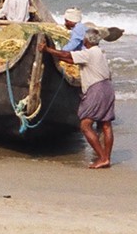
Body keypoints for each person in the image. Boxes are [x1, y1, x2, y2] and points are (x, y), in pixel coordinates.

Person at [43, 28, 116, 168]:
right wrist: (55, 55)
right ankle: (106, 157)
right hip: (108, 88)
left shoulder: (88, 53)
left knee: (85, 125)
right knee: (106, 124)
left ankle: (102, 157)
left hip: (97, 89)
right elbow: (70, 59)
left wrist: (48, 50)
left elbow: (66, 54)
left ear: (87, 40)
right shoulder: (99, 52)